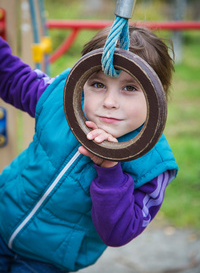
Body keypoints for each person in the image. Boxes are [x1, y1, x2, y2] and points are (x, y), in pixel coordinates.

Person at [0, 25, 178, 273]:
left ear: (157, 95)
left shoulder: (154, 165)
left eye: (129, 88)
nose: (109, 102)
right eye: (97, 84)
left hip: (46, 262)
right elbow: (12, 78)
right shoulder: (62, 100)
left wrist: (109, 170)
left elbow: (119, 232)